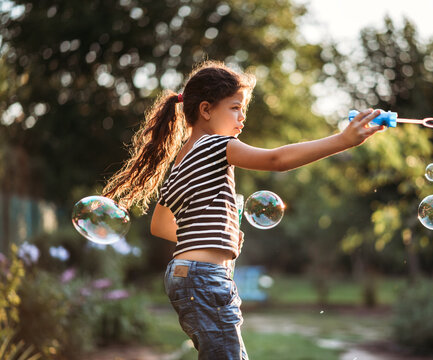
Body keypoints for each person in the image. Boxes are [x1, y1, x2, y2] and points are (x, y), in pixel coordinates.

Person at [102, 60, 384, 359]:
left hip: (183, 275)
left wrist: (212, 236)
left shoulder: (180, 162)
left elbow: (159, 225)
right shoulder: (217, 145)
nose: (242, 117)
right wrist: (342, 140)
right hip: (204, 277)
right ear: (206, 110)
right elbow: (277, 160)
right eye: (235, 108)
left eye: (243, 110)